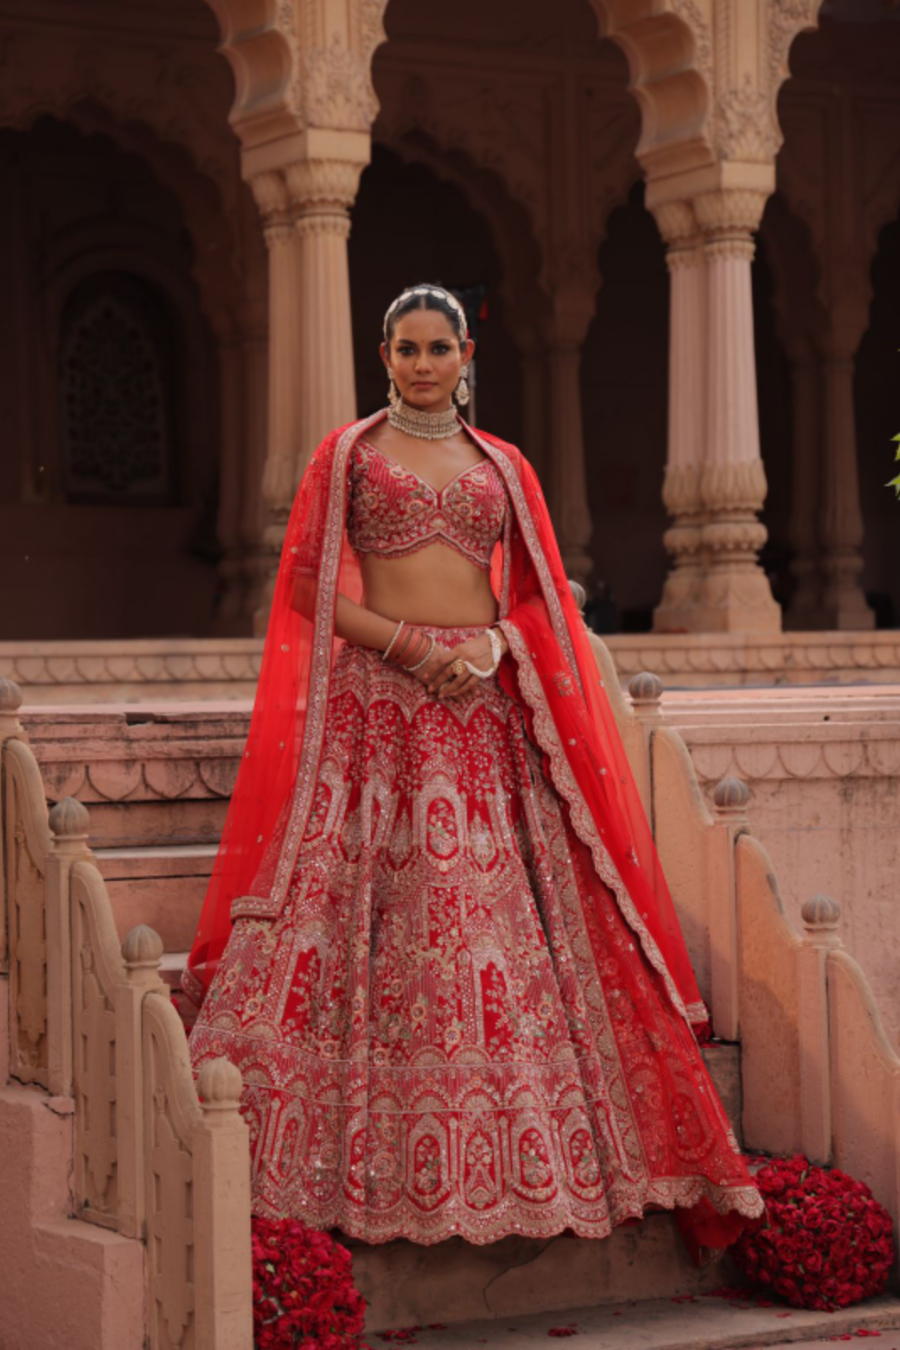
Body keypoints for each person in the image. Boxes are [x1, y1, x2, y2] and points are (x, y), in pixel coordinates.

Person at [186, 283, 763, 1256]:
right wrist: (410, 646)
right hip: (380, 712)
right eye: (406, 348)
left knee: (489, 924)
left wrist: (496, 645)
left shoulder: (503, 464)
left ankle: (518, 1155)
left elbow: (543, 598)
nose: (422, 364)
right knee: (376, 913)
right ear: (384, 355)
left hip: (482, 713)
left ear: (466, 356)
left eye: (439, 347)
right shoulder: (348, 454)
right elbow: (306, 588)